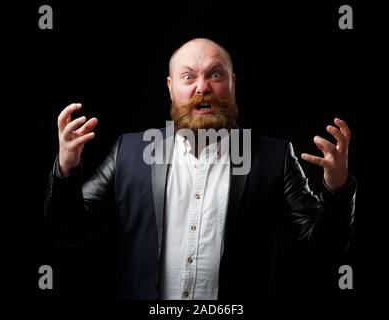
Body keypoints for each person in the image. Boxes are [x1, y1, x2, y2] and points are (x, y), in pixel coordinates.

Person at [45, 38, 356, 300]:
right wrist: (66, 167)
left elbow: (324, 247)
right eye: (188, 77)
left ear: (233, 83)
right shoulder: (128, 152)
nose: (202, 87)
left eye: (216, 75)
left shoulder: (275, 158)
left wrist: (337, 187)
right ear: (170, 87)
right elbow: (67, 231)